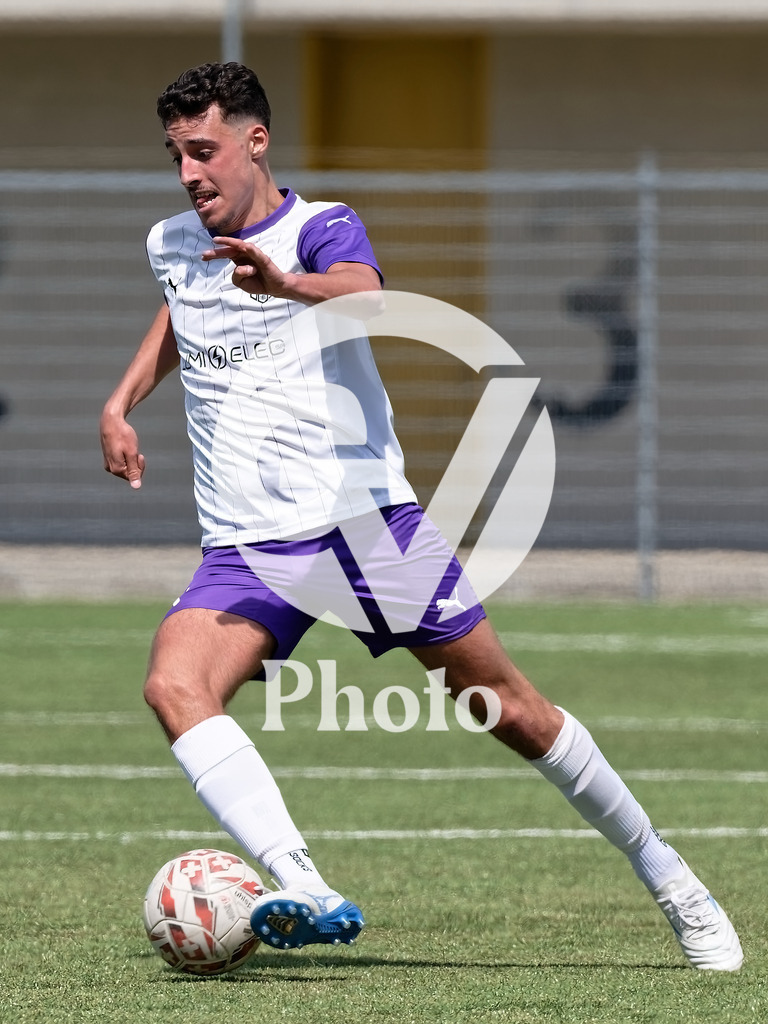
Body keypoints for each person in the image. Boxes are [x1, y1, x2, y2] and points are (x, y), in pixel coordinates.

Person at [100, 61, 742, 968]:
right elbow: (180, 310)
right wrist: (121, 401)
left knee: (511, 711)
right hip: (249, 543)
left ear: (256, 140)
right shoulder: (174, 242)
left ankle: (673, 878)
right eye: (175, 157)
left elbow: (366, 292)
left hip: (367, 529)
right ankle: (303, 883)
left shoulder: (321, 228)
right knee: (174, 686)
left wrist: (284, 285)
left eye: (202, 152)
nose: (189, 175)